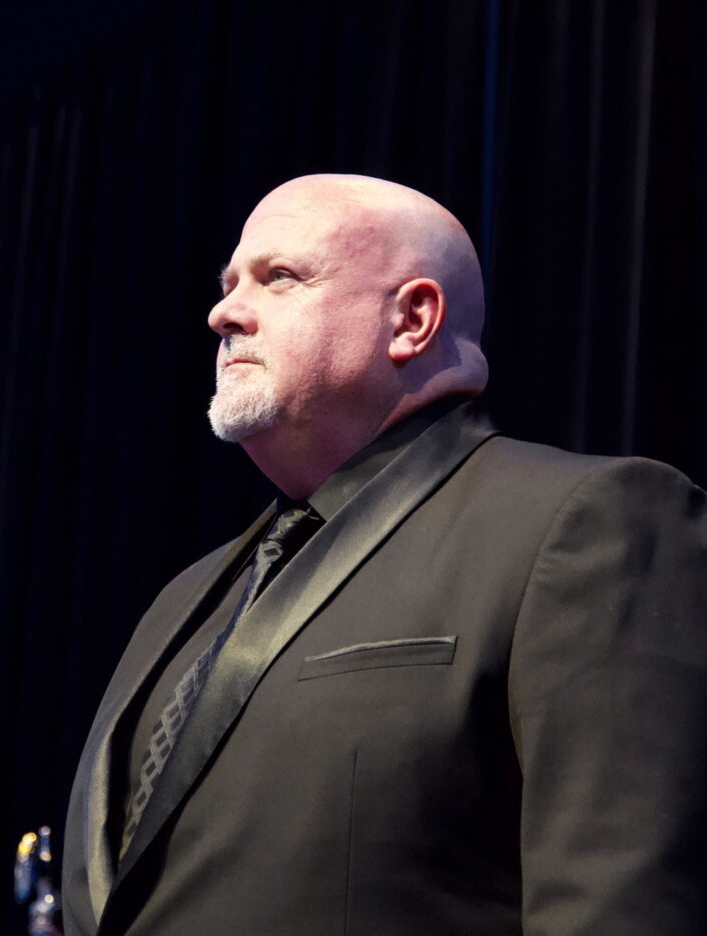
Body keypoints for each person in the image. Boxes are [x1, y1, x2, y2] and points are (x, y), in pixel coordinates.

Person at [63, 174, 707, 935]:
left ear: (412, 319)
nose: (223, 312)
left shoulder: (583, 523)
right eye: (229, 284)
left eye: (279, 277)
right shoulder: (184, 597)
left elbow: (620, 902)